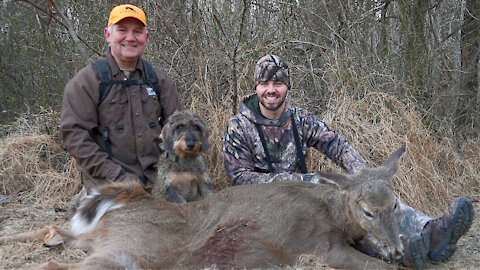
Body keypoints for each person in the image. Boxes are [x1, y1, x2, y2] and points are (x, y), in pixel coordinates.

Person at [223, 54, 474, 269]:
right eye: (265, 83)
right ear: (256, 87)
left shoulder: (300, 119)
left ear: (287, 87)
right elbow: (240, 179)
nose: (271, 89)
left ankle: (430, 231)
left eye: (277, 83)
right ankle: (404, 249)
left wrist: (361, 175)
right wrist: (301, 180)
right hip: (267, 212)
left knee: (365, 196)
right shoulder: (239, 127)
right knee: (340, 231)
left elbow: (337, 145)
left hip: (307, 201)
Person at [61, 4, 181, 194]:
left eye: (138, 32)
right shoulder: (86, 82)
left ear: (146, 38)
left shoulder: (160, 80)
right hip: (109, 186)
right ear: (108, 35)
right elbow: (75, 137)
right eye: (122, 30)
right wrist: (117, 175)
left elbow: (178, 129)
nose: (130, 38)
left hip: (157, 181)